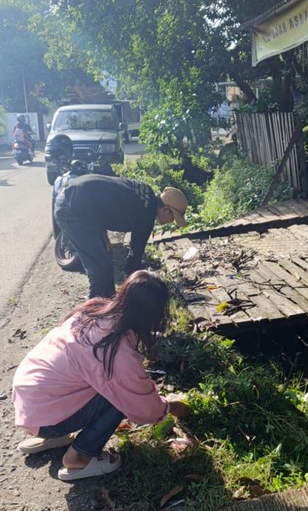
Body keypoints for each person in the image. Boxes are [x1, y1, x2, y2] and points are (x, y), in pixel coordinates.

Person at [13, 270, 188, 482]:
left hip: (31, 399)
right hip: (46, 414)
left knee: (101, 385)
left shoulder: (94, 310)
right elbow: (144, 407)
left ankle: (51, 435)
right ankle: (79, 456)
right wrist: (171, 407)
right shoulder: (116, 351)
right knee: (121, 398)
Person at [53, 175, 188, 298]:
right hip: (72, 210)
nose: (172, 222)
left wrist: (103, 235)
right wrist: (140, 290)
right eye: (173, 218)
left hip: (76, 198)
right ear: (166, 210)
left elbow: (106, 201)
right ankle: (91, 314)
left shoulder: (146, 192)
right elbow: (132, 264)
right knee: (99, 266)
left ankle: (108, 300)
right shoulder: (145, 217)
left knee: (105, 259)